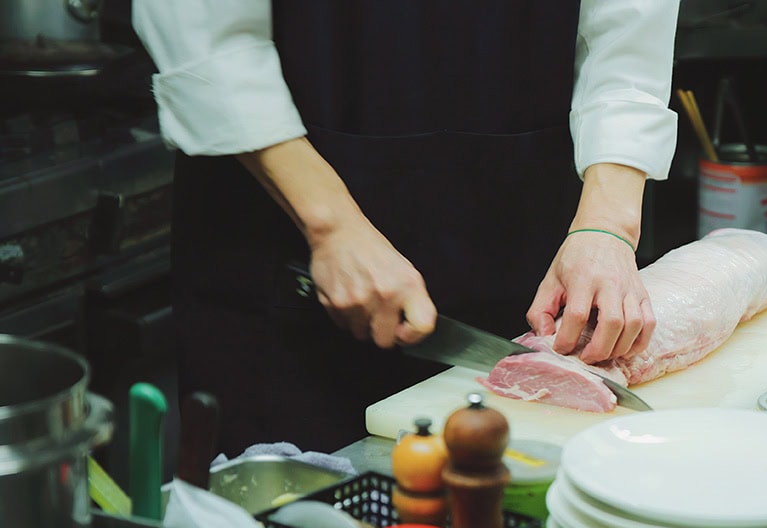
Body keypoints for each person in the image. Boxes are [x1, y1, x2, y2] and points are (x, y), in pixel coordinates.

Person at [132, 1, 680, 481]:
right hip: (284, 255)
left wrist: (606, 225)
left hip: (526, 241)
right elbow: (207, 40)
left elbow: (627, 32)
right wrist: (330, 226)